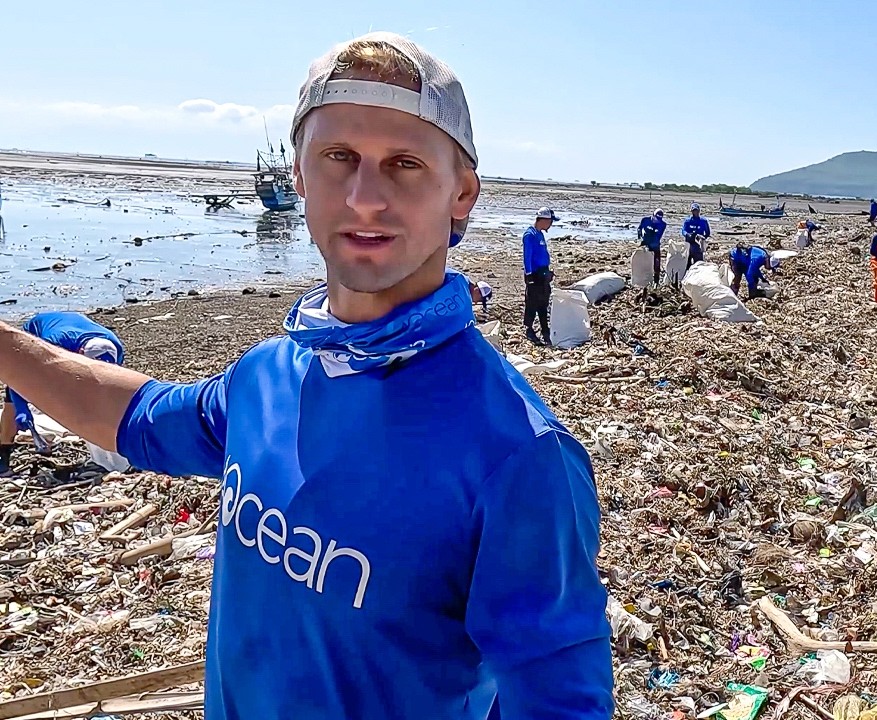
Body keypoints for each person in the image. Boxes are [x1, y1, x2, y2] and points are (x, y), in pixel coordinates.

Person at [0, 33, 613, 720]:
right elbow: (138, 417)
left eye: (405, 163)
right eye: (338, 157)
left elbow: (559, 702)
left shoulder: (518, 455)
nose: (365, 198)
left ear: (461, 193)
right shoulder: (268, 377)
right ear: (298, 176)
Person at [0, 312, 125, 474]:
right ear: (80, 352)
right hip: (39, 330)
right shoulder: (55, 342)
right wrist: (21, 407)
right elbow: (19, 372)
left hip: (73, 327)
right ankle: (4, 449)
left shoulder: (115, 348)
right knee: (18, 396)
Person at [523, 207, 558, 345]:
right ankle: (529, 329)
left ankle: (545, 330)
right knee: (532, 302)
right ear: (543, 220)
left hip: (543, 273)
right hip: (535, 274)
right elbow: (527, 256)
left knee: (543, 302)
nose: (551, 224)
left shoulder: (540, 234)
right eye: (550, 221)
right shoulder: (529, 235)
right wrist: (529, 275)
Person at [637, 209, 666, 285]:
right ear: (653, 215)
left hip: (655, 244)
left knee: (656, 263)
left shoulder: (662, 224)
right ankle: (642, 278)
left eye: (659, 219)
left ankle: (656, 280)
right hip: (644, 242)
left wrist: (649, 240)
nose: (657, 221)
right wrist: (640, 237)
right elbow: (639, 229)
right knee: (643, 261)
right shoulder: (645, 220)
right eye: (656, 218)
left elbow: (658, 236)